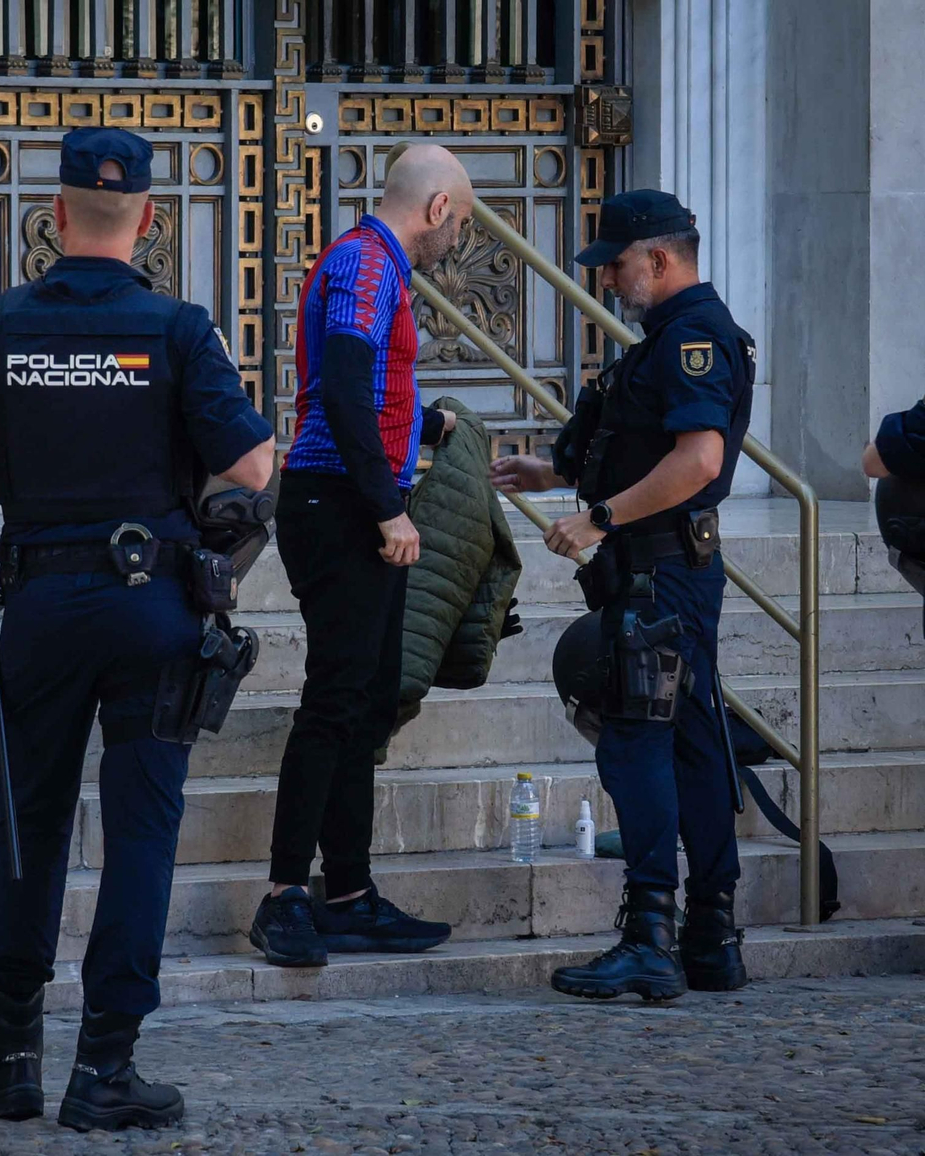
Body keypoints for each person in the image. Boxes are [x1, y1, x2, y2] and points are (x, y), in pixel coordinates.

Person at [0, 127, 273, 1131]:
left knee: (26, 827)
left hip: (37, 608)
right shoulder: (176, 328)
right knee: (141, 836)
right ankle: (102, 1068)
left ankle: (15, 1063)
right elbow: (251, 471)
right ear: (148, 219)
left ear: (56, 214)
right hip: (152, 607)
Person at [490, 189, 756, 1001]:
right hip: (661, 569)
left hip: (657, 570)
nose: (607, 280)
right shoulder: (669, 341)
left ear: (661, 259)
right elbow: (641, 444)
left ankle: (652, 936)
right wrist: (555, 470)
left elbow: (699, 461)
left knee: (638, 741)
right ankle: (710, 938)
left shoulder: (694, 339)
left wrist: (599, 517)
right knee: (692, 743)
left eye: (616, 265)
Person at [246, 144, 468, 970]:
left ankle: (347, 894)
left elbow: (368, 388)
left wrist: (427, 429)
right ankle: (282, 899)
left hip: (353, 501)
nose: (459, 238)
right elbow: (340, 390)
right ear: (438, 208)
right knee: (337, 701)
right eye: (463, 220)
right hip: (338, 506)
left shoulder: (375, 269)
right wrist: (385, 507)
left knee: (368, 701)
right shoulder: (368, 268)